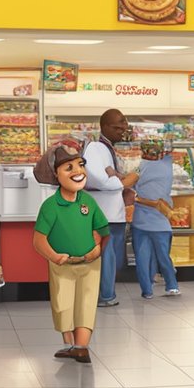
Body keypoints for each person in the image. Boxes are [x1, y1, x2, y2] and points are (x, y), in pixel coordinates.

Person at [32, 146, 109, 364]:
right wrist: (54, 256)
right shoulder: (50, 206)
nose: (78, 171)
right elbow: (39, 240)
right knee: (63, 304)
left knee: (86, 304)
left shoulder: (88, 201)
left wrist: (97, 248)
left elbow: (101, 229)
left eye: (80, 165)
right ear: (56, 175)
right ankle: (70, 344)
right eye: (69, 168)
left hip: (90, 264)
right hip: (62, 265)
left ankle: (81, 347)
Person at [83, 109, 137, 308]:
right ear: (104, 126)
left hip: (111, 212)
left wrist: (118, 177)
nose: (122, 129)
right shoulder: (97, 148)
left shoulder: (106, 148)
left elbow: (107, 175)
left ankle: (105, 293)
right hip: (105, 213)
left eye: (124, 125)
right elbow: (98, 178)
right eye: (117, 126)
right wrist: (122, 182)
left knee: (110, 256)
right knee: (108, 255)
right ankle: (106, 295)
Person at [132, 140, 180, 299]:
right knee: (163, 257)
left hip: (140, 220)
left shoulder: (140, 166)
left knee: (142, 258)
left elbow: (128, 183)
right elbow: (171, 148)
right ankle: (172, 286)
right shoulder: (167, 164)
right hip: (161, 221)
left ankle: (147, 290)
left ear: (142, 152)